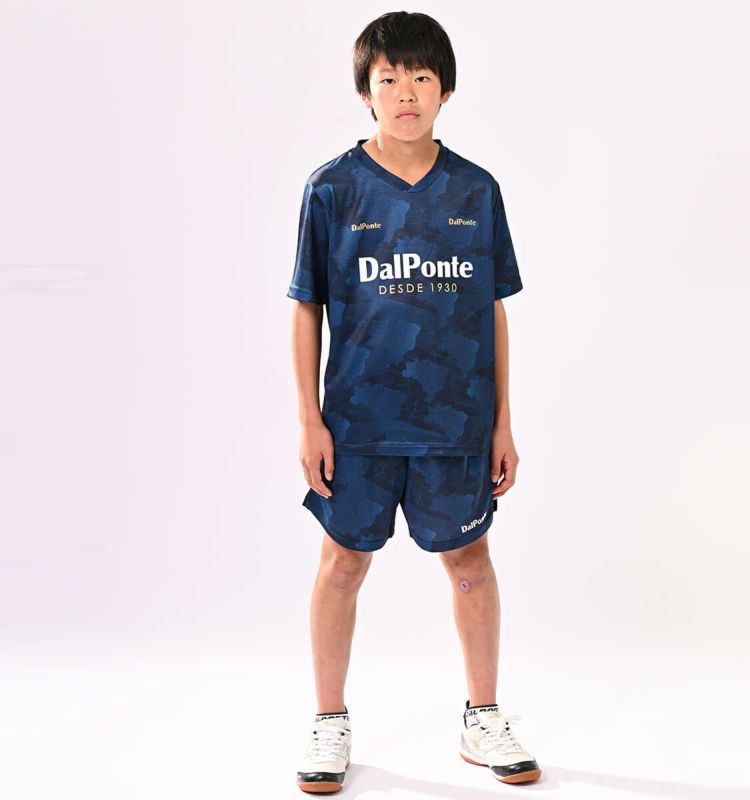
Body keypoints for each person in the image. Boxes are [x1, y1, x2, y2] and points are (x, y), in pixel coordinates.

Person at [287, 11, 541, 793]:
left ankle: (483, 715)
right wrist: (309, 419)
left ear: (445, 91)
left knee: (470, 561)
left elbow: (493, 308)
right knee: (341, 564)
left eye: (421, 77)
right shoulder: (332, 189)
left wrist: (502, 421)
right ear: (365, 92)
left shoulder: (475, 190)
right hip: (357, 424)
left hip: (455, 422)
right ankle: (329, 720)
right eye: (389, 78)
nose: (406, 92)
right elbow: (306, 307)